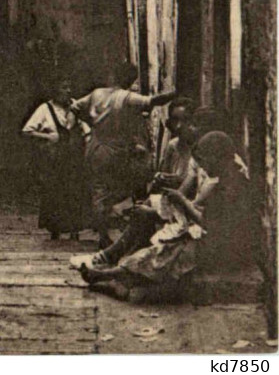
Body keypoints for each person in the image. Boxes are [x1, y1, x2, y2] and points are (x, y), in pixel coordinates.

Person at [79, 131, 253, 297]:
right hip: (217, 242)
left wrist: (182, 202)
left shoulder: (232, 187)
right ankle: (114, 277)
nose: (204, 168)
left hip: (224, 251)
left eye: (206, 162)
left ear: (218, 158)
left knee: (167, 252)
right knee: (165, 249)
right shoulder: (230, 179)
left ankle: (111, 276)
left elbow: (209, 223)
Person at [72, 62, 176, 248]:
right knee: (133, 184)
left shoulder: (97, 93)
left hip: (95, 146)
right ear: (131, 79)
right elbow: (152, 101)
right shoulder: (126, 96)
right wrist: (176, 93)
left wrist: (92, 122)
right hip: (116, 149)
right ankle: (134, 230)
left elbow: (75, 108)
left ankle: (104, 235)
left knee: (100, 191)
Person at [22, 77, 89, 240]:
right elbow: (27, 131)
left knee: (75, 191)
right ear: (55, 91)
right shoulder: (45, 109)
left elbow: (88, 129)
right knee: (55, 192)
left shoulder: (77, 106)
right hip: (54, 159)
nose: (68, 91)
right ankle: (55, 230)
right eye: (64, 88)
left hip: (74, 158)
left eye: (69, 88)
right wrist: (48, 137)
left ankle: (75, 230)